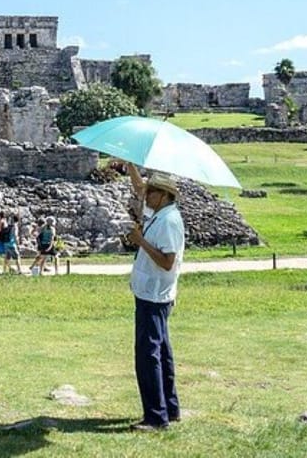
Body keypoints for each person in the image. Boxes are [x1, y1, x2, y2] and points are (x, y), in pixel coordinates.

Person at [124, 164, 185, 431]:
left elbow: (167, 261)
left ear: (162, 195)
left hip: (154, 295)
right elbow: (138, 188)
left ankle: (156, 416)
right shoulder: (161, 214)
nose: (145, 196)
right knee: (161, 351)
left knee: (148, 355)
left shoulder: (169, 221)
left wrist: (140, 241)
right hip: (152, 293)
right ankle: (169, 408)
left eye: (150, 193)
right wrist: (130, 166)